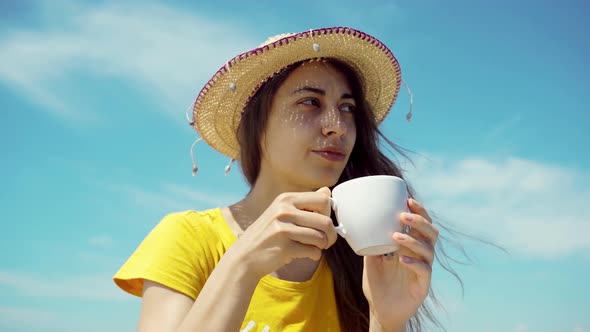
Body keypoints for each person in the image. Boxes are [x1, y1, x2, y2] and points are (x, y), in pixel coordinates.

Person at [114, 27, 440, 332]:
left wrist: (385, 320)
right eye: (310, 102)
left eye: (347, 108)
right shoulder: (188, 238)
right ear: (257, 125)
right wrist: (244, 264)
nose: (337, 126)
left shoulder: (360, 258)